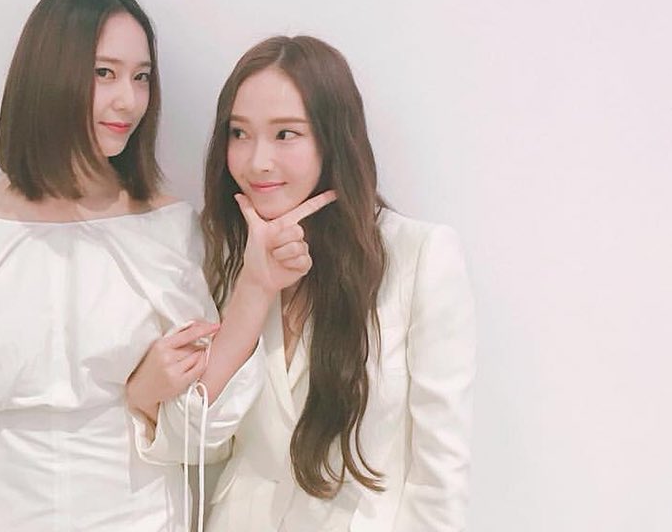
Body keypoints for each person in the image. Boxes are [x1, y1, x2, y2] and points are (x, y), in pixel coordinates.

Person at [0, 0, 329, 532]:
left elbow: (200, 416)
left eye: (141, 77)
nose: (128, 100)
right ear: (49, 73)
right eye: (104, 73)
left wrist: (253, 286)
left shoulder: (168, 227)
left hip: (142, 515)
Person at [171, 35, 474, 531]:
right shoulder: (221, 256)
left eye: (285, 134)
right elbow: (190, 441)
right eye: (239, 133)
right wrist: (253, 288)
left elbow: (440, 473)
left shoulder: (419, 256)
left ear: (333, 138)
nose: (257, 161)